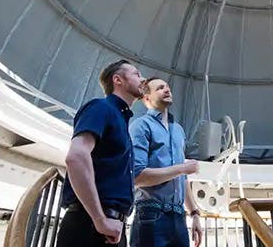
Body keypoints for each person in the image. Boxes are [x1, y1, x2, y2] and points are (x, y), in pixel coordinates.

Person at [56, 59, 145, 247]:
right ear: (118, 80)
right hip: (90, 226)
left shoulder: (122, 121)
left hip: (111, 228)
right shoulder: (101, 107)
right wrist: (99, 218)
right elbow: (76, 157)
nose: (143, 79)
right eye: (137, 74)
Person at [129, 77, 204, 247]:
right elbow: (138, 176)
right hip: (150, 214)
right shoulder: (140, 126)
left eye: (168, 87)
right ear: (146, 99)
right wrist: (182, 168)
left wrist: (194, 213)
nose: (167, 89)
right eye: (160, 88)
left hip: (179, 218)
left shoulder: (178, 130)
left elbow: (181, 179)